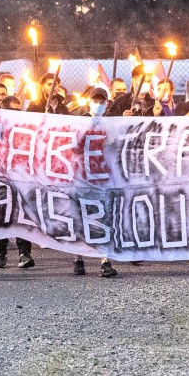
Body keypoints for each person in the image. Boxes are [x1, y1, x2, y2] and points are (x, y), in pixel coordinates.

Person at [73, 87, 118, 277]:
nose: (98, 105)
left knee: (104, 217)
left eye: (102, 101)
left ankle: (105, 260)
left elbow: (117, 145)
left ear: (107, 103)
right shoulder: (79, 120)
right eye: (95, 101)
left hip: (103, 177)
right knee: (80, 217)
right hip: (82, 176)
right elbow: (73, 146)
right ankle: (78, 259)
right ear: (89, 101)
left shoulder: (112, 123)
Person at [0, 97, 35, 269]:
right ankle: (1, 253)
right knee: (2, 213)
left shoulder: (24, 128)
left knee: (23, 213)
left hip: (21, 175)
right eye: (14, 110)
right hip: (0, 176)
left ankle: (24, 253)